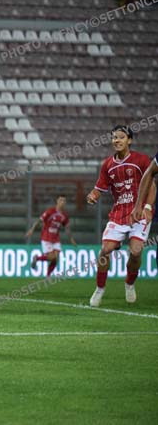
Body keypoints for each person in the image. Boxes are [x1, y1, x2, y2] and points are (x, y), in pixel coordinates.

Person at [86, 126, 154, 306]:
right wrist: (93, 195)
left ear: (129, 140)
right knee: (105, 250)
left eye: (121, 137)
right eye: (114, 137)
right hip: (118, 213)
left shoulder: (141, 160)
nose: (116, 140)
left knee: (136, 251)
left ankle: (129, 284)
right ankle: (100, 288)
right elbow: (99, 188)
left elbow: (152, 186)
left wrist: (148, 207)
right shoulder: (107, 165)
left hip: (139, 212)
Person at [26, 195, 76, 276]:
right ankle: (37, 258)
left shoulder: (64, 216)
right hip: (46, 237)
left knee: (56, 258)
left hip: (56, 238)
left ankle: (48, 276)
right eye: (61, 200)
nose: (62, 202)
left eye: (64, 201)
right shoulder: (50, 211)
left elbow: (67, 228)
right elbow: (39, 221)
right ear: (57, 201)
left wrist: (71, 239)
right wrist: (32, 230)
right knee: (52, 257)